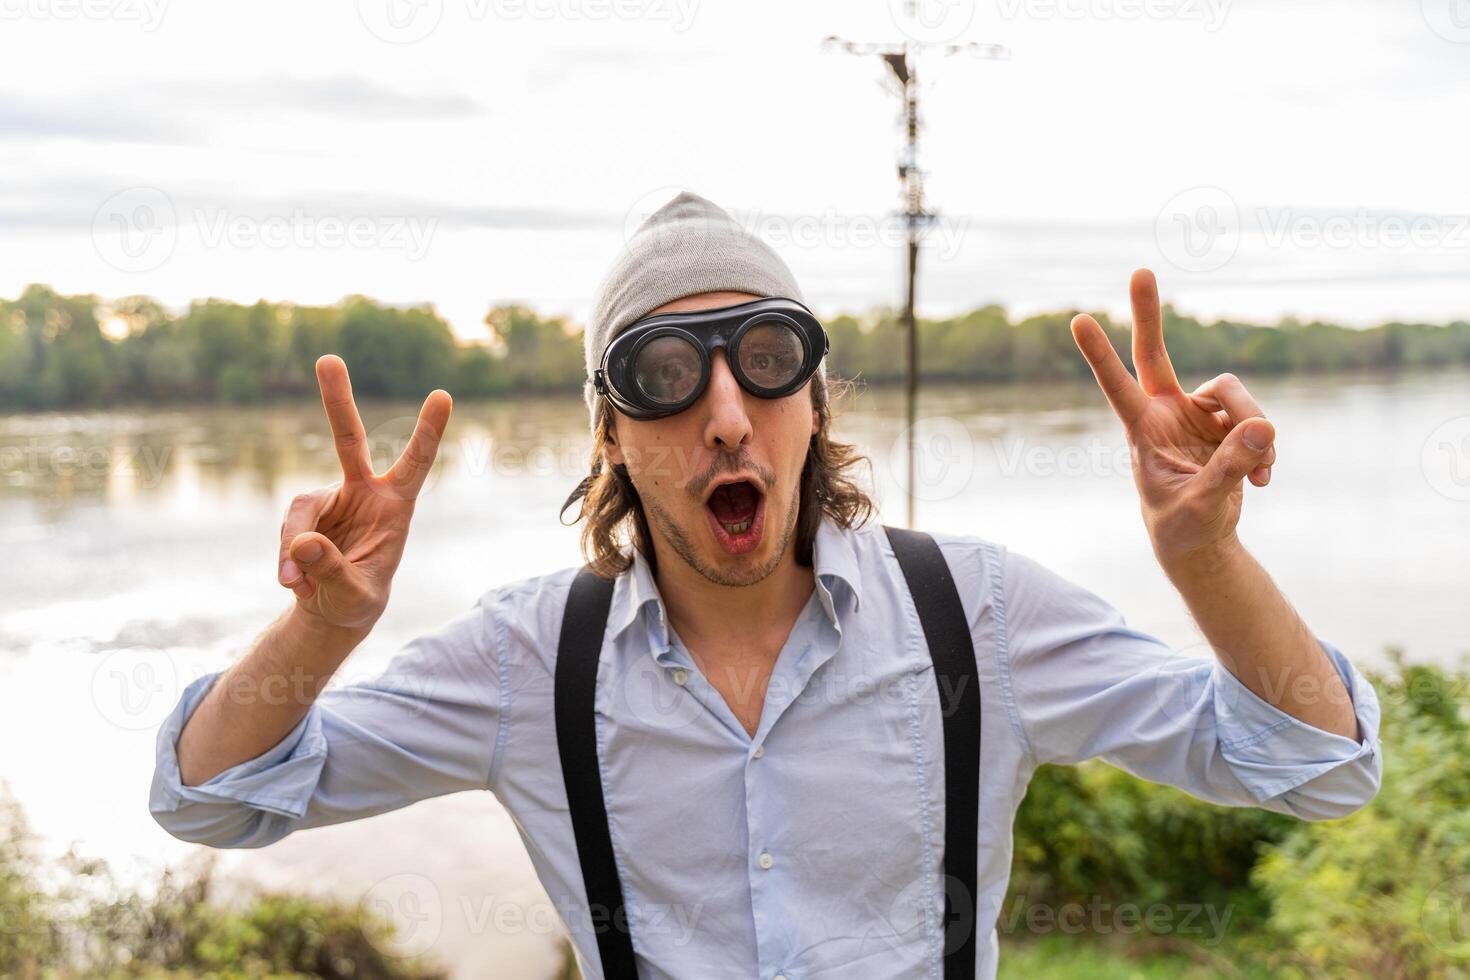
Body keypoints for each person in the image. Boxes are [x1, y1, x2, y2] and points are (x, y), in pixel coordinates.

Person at [150, 192, 1382, 979]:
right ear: (611, 438)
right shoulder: (529, 660)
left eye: (768, 356)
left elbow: (1319, 765)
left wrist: (1206, 556)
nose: (728, 415)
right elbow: (208, 793)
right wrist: (321, 629)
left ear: (813, 402)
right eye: (667, 371)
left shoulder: (976, 616)